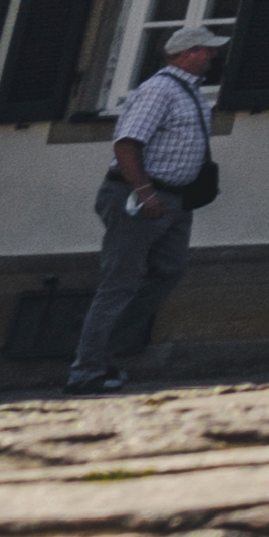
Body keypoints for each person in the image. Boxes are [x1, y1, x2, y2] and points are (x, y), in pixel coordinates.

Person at [63, 21, 222, 395]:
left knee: (170, 269)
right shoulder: (159, 91)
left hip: (175, 199)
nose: (211, 56)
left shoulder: (190, 92)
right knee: (119, 282)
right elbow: (127, 144)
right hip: (140, 198)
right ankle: (86, 371)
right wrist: (145, 192)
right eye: (204, 49)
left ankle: (109, 348)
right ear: (183, 54)